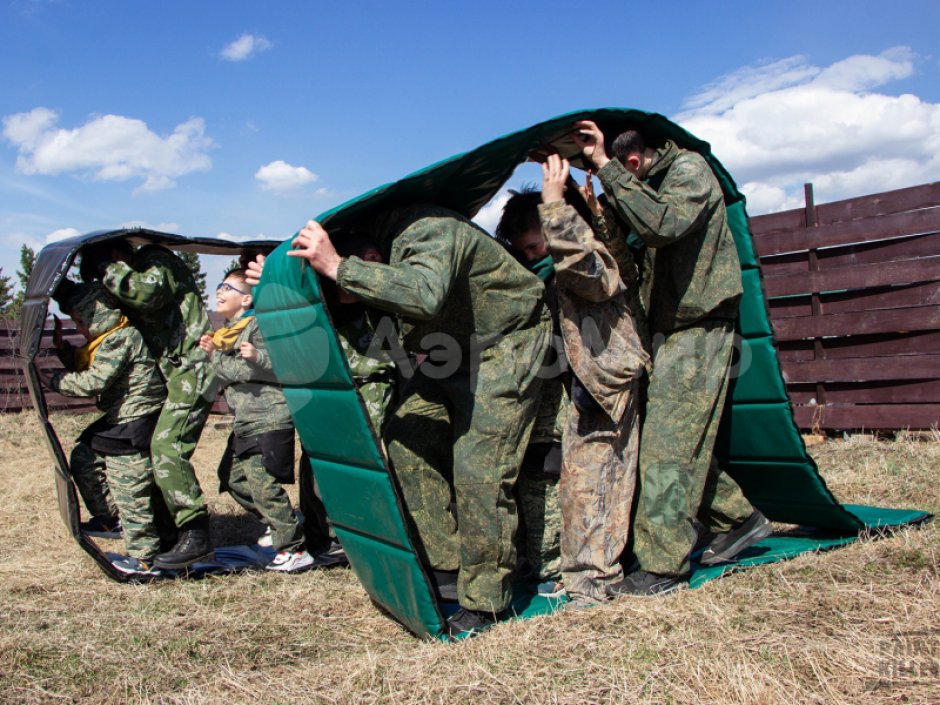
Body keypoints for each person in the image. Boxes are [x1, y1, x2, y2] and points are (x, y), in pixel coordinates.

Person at [279, 205, 551, 636]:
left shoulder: (427, 229)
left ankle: (487, 600)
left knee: (480, 465)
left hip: (508, 342)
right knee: (407, 434)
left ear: (370, 260)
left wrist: (338, 267)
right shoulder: (377, 255)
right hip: (451, 349)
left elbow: (423, 294)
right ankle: (446, 566)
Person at [572, 121, 771, 596]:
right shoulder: (647, 186)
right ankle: (738, 519)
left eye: (619, 172)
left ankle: (663, 566)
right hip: (667, 332)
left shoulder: (688, 170)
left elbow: (662, 226)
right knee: (673, 442)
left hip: (698, 327)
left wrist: (606, 168)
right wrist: (599, 210)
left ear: (632, 161)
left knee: (667, 448)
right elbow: (629, 261)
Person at [497, 155, 648, 605]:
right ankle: (581, 574)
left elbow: (589, 278)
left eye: (535, 246)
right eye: (524, 252)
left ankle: (593, 581)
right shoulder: (543, 271)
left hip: (604, 382)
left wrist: (554, 207)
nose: (533, 258)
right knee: (578, 482)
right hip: (579, 385)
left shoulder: (584, 251)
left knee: (597, 484)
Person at [81, 240, 216, 570]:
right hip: (173, 373)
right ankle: (168, 533)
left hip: (193, 368)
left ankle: (196, 535)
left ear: (116, 256)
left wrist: (106, 267)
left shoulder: (156, 261)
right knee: (151, 449)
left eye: (106, 269)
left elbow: (147, 294)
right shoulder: (134, 277)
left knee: (167, 446)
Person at [43, 282, 167, 572]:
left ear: (95, 314)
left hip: (137, 419)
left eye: (81, 321)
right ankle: (110, 520)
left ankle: (145, 557)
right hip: (120, 416)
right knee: (84, 457)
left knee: (130, 487)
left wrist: (54, 380)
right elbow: (90, 364)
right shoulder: (108, 338)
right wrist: (63, 350)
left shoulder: (123, 337)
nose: (80, 328)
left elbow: (94, 381)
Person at [199, 269, 314, 572]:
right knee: (232, 478)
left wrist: (217, 356)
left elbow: (268, 366)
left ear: (246, 300)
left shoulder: (260, 326)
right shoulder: (229, 332)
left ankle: (294, 549)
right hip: (246, 418)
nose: (219, 291)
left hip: (268, 415)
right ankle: (284, 522)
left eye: (227, 287)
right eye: (219, 286)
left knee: (264, 486)